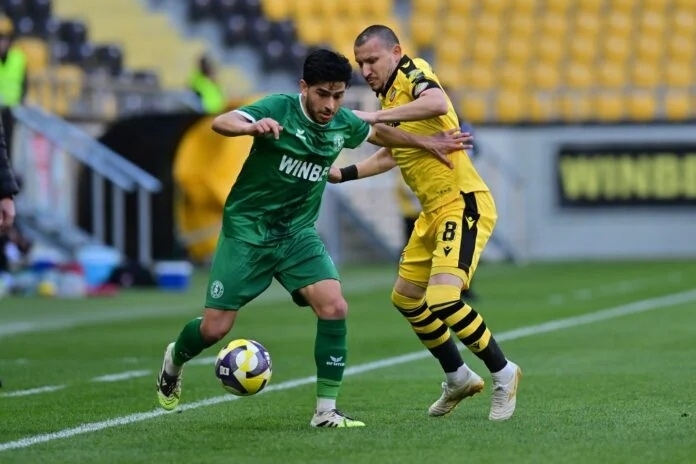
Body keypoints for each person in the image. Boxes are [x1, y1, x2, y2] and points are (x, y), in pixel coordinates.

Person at [155, 48, 472, 428]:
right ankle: (174, 359)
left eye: (338, 95)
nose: (330, 105)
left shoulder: (340, 121)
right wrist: (250, 128)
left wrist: (429, 143)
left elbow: (377, 133)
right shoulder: (278, 107)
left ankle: (325, 411)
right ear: (304, 87)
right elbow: (222, 121)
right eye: (323, 94)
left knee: (334, 306)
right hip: (248, 232)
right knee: (214, 329)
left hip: (297, 234)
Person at [330, 25, 521, 421]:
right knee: (405, 298)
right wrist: (343, 175)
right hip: (432, 211)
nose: (365, 70)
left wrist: (375, 116)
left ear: (395, 52)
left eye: (372, 60)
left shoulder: (412, 72)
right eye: (360, 63)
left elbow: (437, 101)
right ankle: (458, 377)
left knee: (444, 300)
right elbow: (392, 154)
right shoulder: (388, 96)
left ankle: (504, 373)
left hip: (462, 202)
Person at [0, 16, 27, 158]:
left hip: (10, 111)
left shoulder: (18, 58)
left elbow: (24, 84)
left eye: (4, 39)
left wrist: (21, 103)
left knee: (8, 148)